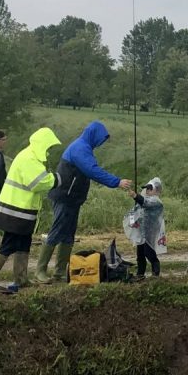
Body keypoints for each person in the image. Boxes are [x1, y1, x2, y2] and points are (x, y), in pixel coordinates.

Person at [38, 121, 132, 284]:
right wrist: (116, 182)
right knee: (57, 231)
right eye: (100, 139)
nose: (100, 143)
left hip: (73, 199)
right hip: (64, 197)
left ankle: (59, 272)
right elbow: (92, 170)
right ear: (93, 135)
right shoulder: (80, 148)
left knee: (68, 235)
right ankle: (40, 271)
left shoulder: (85, 147)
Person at [0, 128, 62, 287]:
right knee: (9, 243)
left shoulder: (29, 156)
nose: (49, 151)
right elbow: (38, 183)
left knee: (24, 243)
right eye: (48, 147)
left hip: (20, 209)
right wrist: (57, 179)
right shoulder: (29, 159)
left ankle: (21, 279)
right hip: (16, 209)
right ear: (42, 145)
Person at [130, 177, 166, 278]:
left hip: (150, 231)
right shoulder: (147, 199)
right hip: (141, 231)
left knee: (149, 252)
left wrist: (135, 196)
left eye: (150, 188)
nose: (147, 190)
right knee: (140, 253)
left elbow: (145, 203)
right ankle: (140, 274)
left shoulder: (157, 202)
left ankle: (156, 273)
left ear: (156, 190)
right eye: (147, 188)